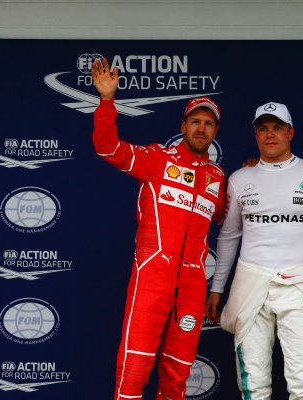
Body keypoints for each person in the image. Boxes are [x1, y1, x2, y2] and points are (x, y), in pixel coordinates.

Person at [91, 58, 227, 400]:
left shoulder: (218, 178)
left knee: (177, 374)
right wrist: (107, 102)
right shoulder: (158, 159)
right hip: (153, 275)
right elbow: (108, 148)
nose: (201, 128)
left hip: (193, 284)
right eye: (195, 121)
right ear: (183, 125)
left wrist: (255, 171)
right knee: (134, 369)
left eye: (208, 124)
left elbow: (230, 220)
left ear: (215, 131)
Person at [205, 102, 303, 399]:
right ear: (255, 135)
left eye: (277, 127)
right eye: (263, 128)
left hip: (298, 287)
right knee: (253, 384)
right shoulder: (240, 179)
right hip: (249, 284)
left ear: (291, 132)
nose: (270, 134)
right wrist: (217, 288)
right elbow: (228, 236)